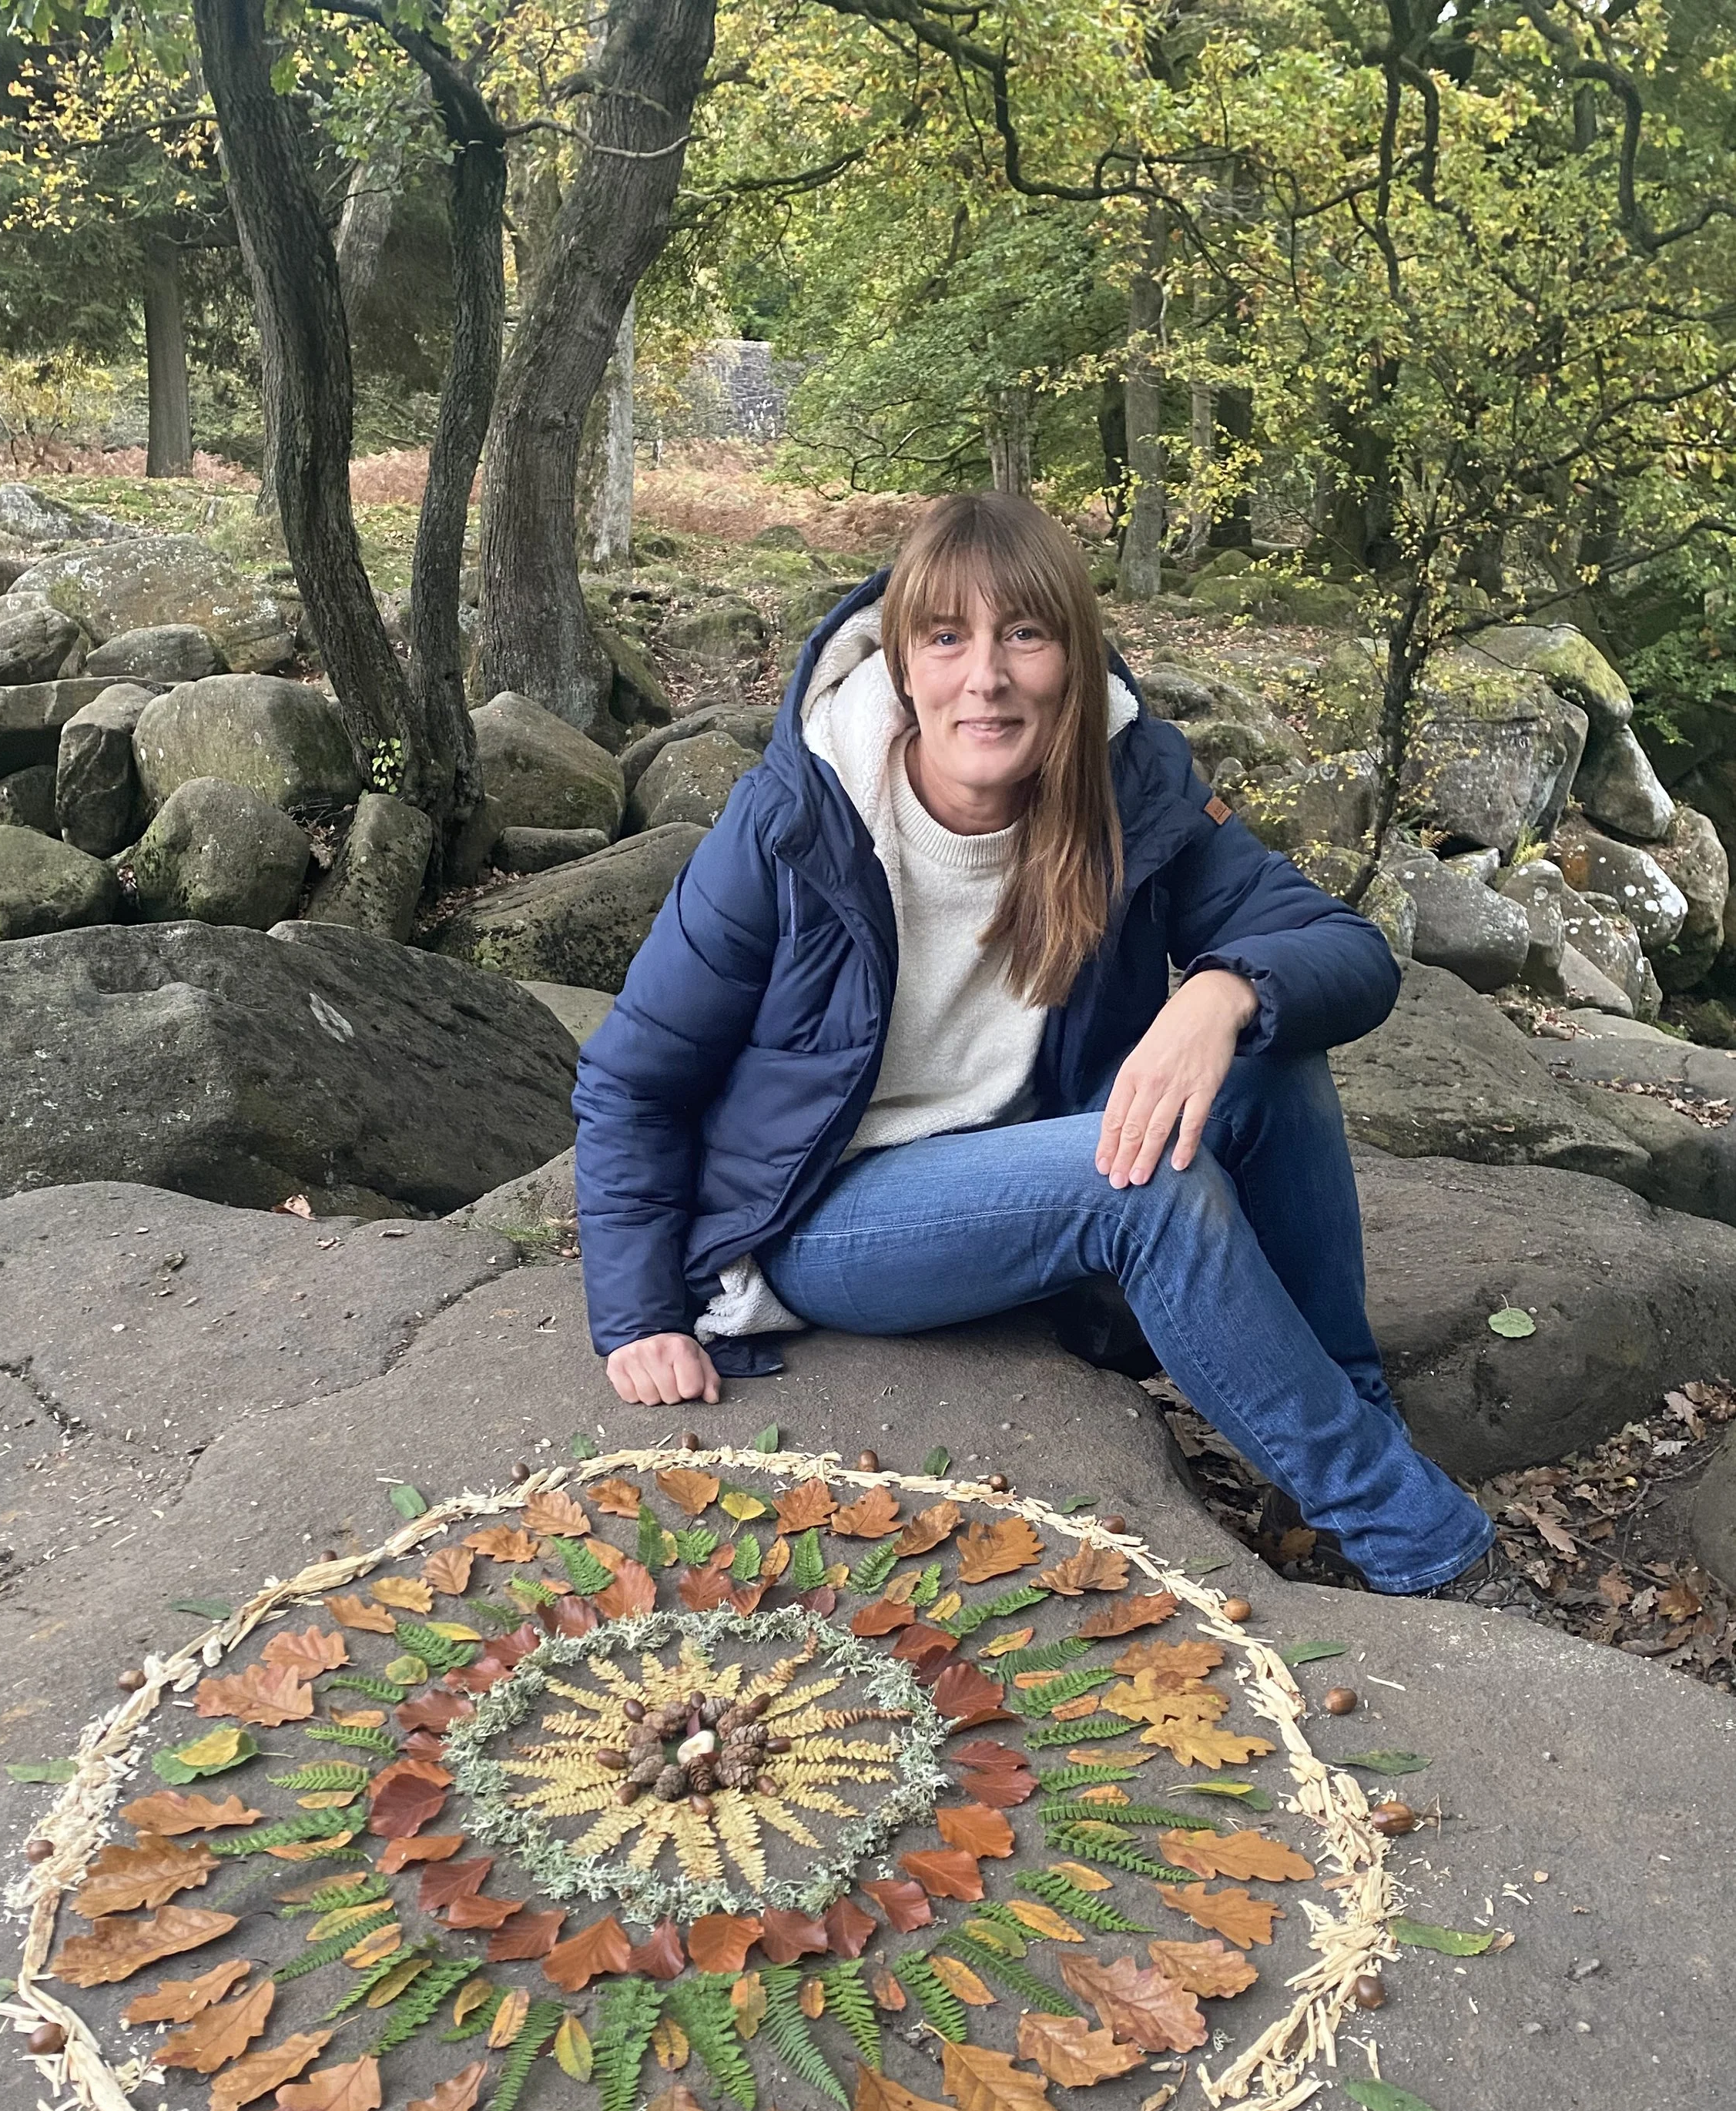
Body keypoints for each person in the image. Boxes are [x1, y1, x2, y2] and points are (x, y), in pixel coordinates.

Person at [572, 491, 1493, 1596]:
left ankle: (1343, 1446)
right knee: (1144, 1180)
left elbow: (1341, 951)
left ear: (1073, 654)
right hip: (828, 1212)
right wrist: (637, 1316)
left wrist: (1220, 991)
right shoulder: (794, 821)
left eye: (1024, 634)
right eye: (947, 637)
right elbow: (633, 1079)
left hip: (1026, 1160)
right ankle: (1415, 1539)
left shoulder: (1128, 783)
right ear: (903, 663)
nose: (986, 677)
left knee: (1269, 1056)